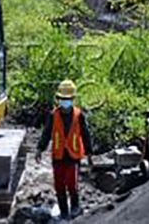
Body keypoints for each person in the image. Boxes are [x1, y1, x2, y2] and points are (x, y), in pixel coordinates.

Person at [36, 80, 93, 220]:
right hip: (58, 155)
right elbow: (46, 133)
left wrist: (89, 153)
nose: (65, 102)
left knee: (72, 184)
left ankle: (75, 207)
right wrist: (39, 149)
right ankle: (64, 212)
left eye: (67, 99)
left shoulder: (79, 115)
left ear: (73, 99)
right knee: (59, 185)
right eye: (62, 99)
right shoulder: (53, 115)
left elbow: (85, 134)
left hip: (73, 156)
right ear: (58, 99)